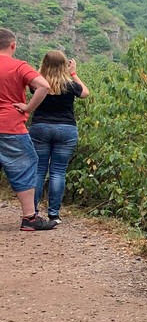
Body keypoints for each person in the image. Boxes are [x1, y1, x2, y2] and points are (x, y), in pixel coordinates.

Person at [0, 28, 56, 231]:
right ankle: (29, 218)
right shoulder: (18, 66)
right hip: (10, 126)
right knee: (25, 167)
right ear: (13, 45)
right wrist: (28, 108)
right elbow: (43, 86)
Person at [28, 50, 90, 224]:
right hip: (66, 129)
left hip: (40, 128)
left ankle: (32, 212)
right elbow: (85, 93)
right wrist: (73, 73)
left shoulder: (37, 84)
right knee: (58, 172)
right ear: (64, 65)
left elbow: (35, 82)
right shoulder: (70, 86)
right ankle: (54, 214)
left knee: (39, 170)